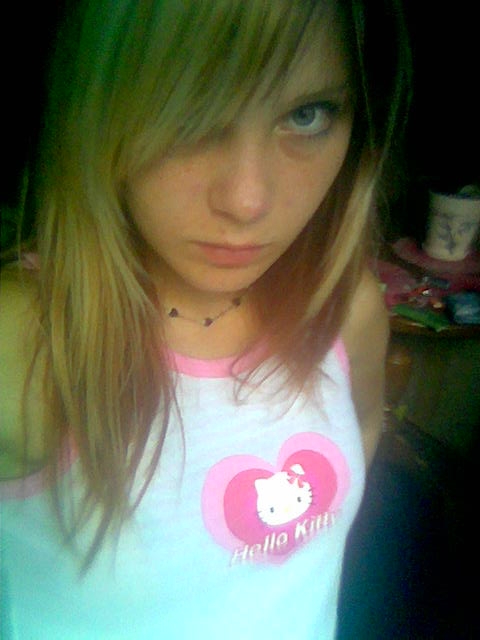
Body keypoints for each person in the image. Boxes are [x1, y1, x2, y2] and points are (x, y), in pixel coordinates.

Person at [0, 0, 410, 637]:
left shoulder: (342, 305)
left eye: (307, 115)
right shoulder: (25, 339)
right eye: (187, 113)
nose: (247, 200)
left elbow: (358, 429)